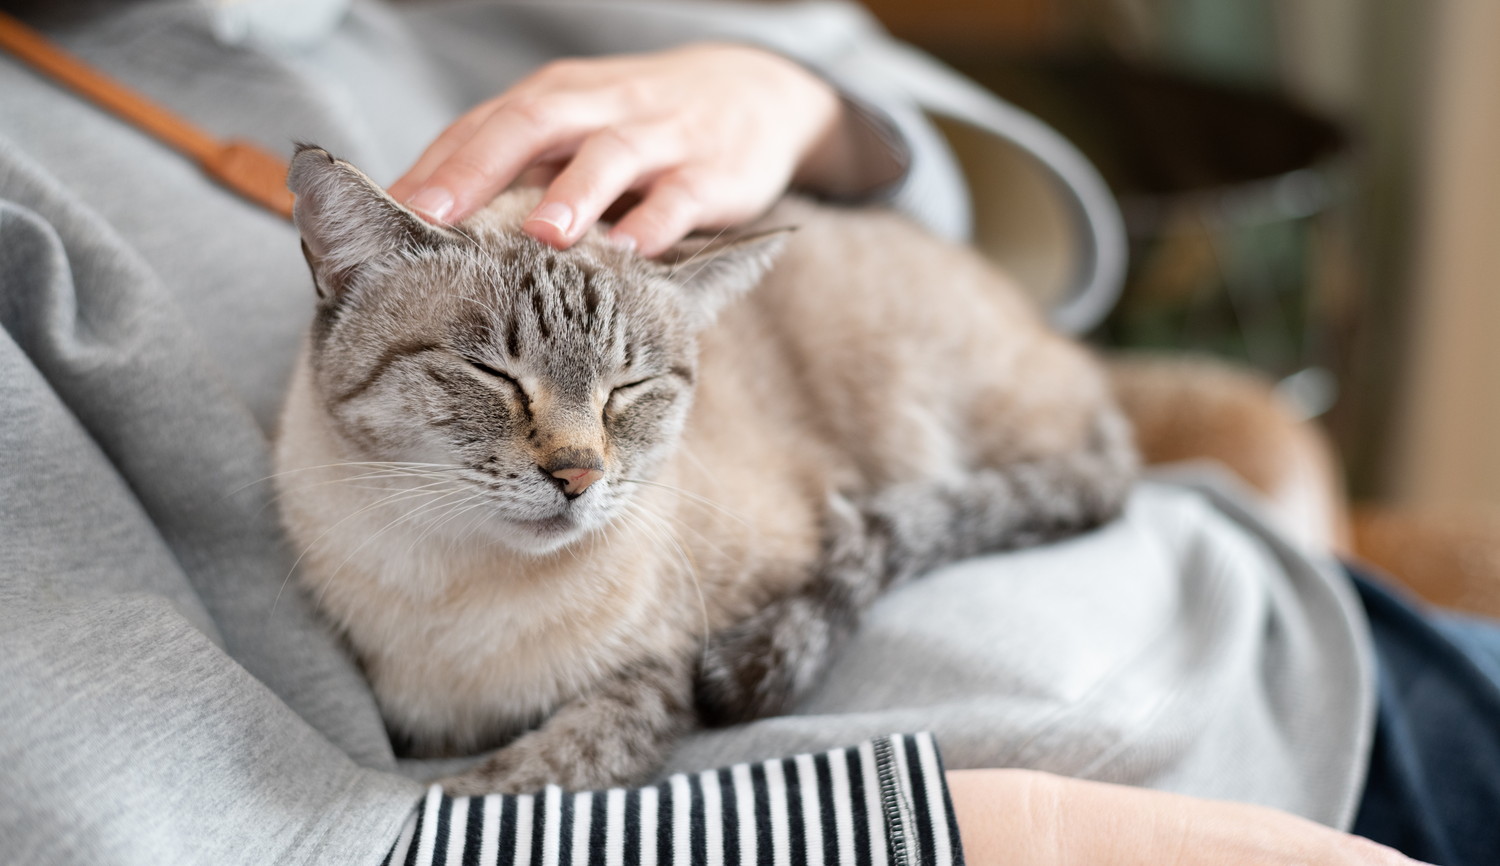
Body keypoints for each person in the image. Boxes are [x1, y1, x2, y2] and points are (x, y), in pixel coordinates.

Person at [0, 1, 1493, 864]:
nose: (577, 464)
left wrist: (799, 102)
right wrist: (1000, 833)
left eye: (613, 415)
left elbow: (1003, 201)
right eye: (503, 395)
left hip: (1279, 652)